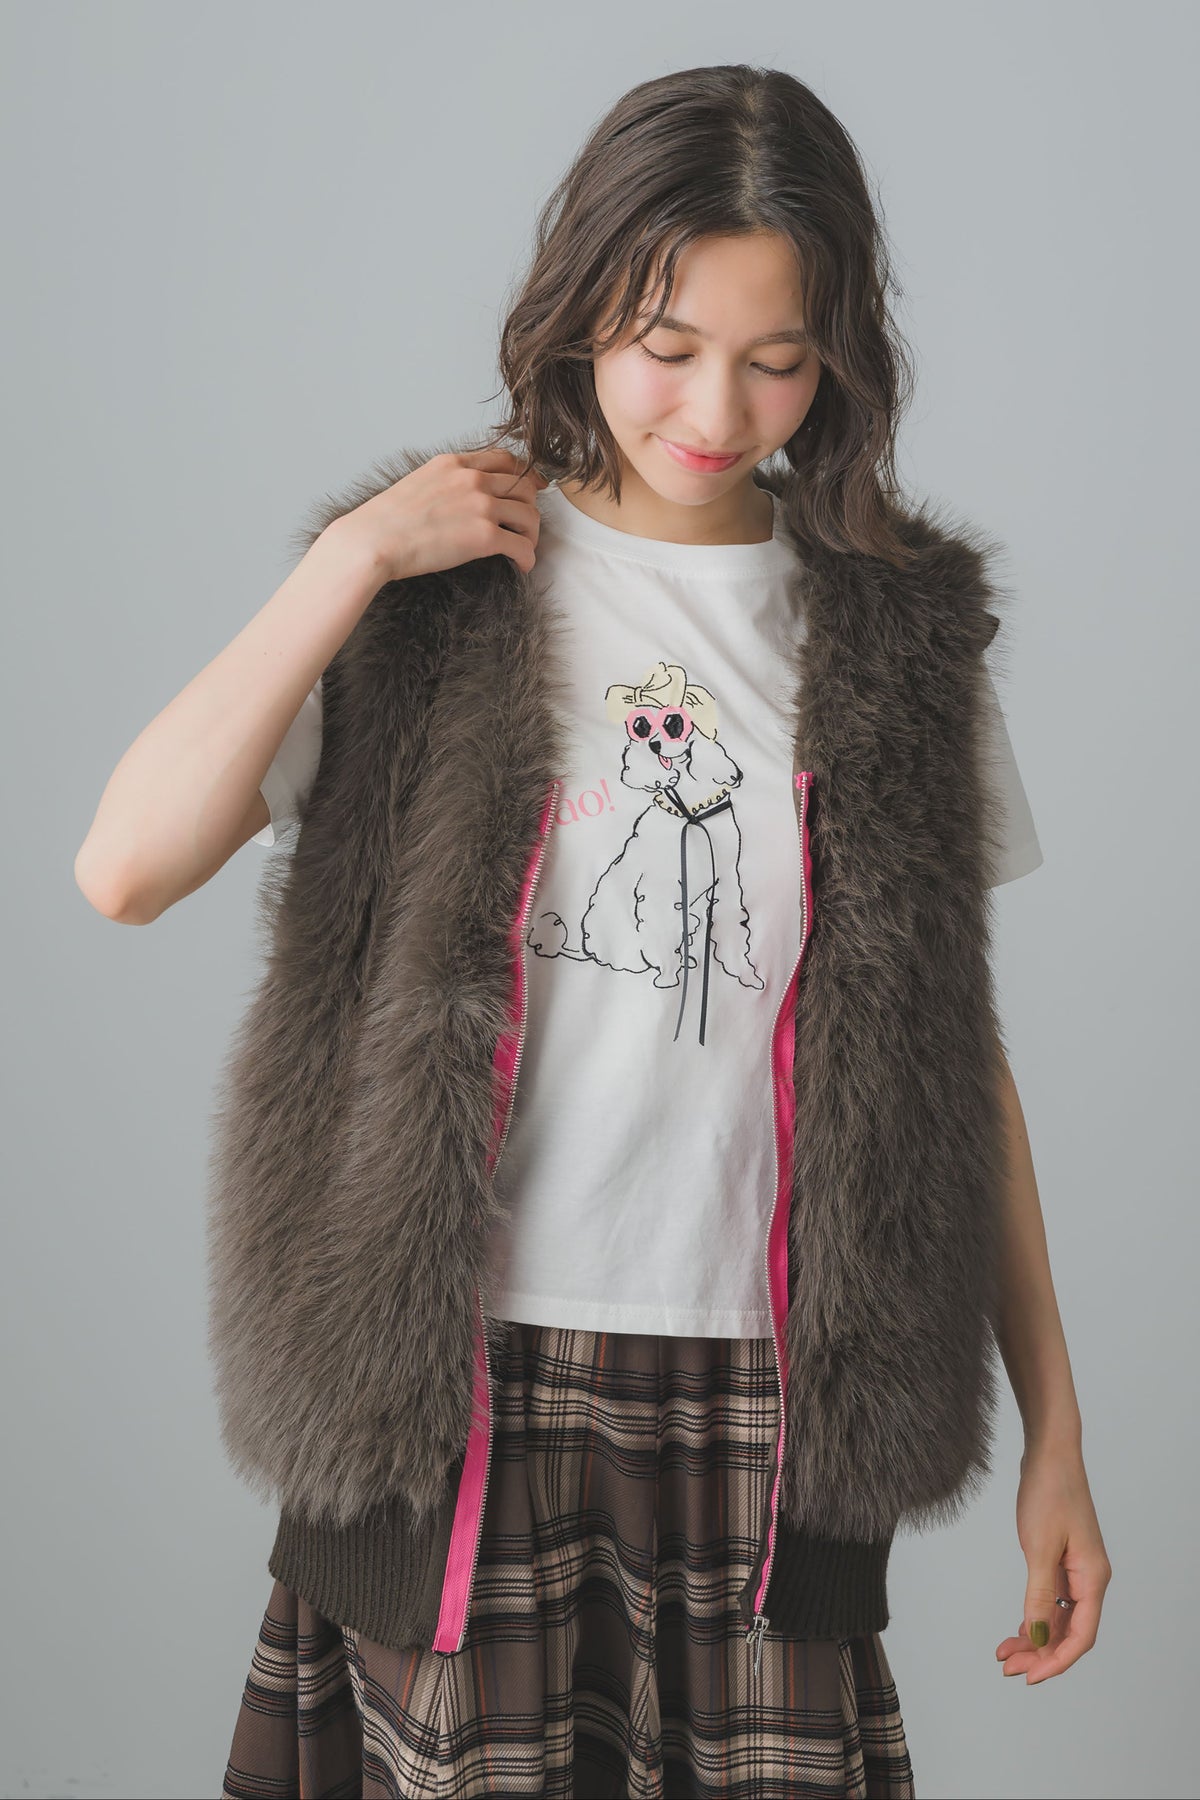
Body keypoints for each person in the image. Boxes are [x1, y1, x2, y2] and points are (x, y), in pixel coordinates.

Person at [76, 62, 1111, 1800]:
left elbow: (957, 1069)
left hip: (768, 1419)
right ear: (580, 310)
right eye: (665, 342)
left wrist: (1058, 1437)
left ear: (840, 360)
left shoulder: (898, 640)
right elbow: (123, 866)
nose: (716, 407)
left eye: (778, 358)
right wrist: (345, 561)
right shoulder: (439, 587)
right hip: (449, 1400)